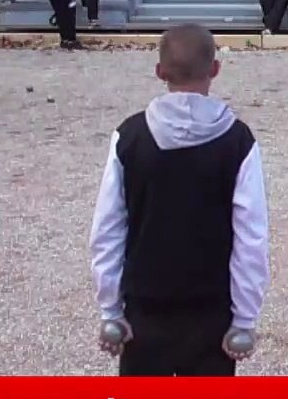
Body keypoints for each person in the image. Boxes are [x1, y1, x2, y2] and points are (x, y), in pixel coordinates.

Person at [90, 24, 271, 376]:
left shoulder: (130, 137)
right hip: (211, 307)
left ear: (160, 72)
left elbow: (108, 229)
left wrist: (110, 309)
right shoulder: (237, 141)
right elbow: (252, 236)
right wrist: (245, 316)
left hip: (145, 305)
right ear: (215, 69)